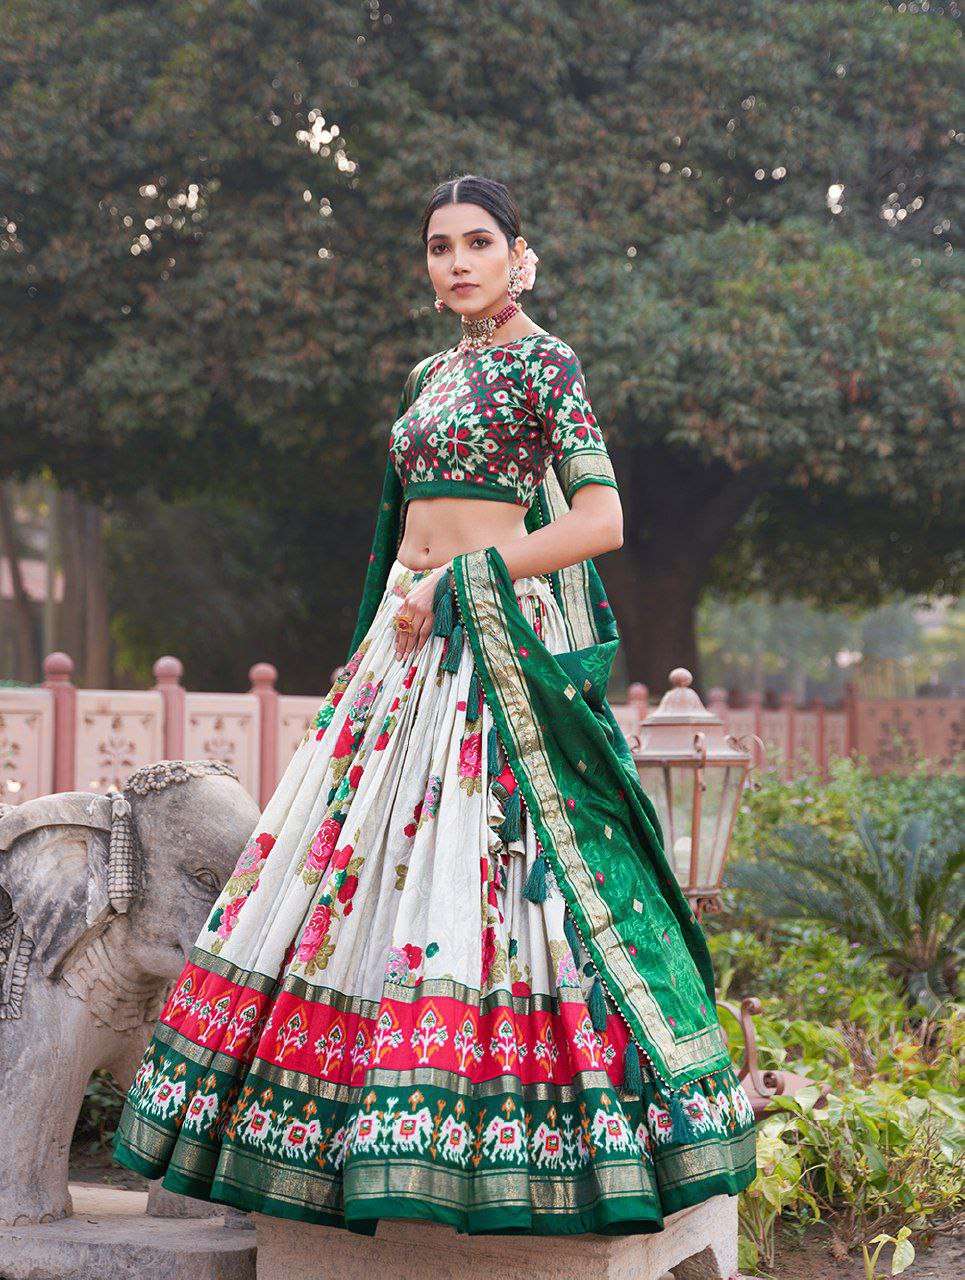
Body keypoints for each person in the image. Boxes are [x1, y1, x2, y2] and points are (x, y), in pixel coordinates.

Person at [111, 173, 757, 1236]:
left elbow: (600, 520)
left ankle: (505, 1141)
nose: (456, 261)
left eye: (477, 242)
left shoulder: (546, 364)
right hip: (402, 645)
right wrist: (413, 595)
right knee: (353, 875)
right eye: (438, 245)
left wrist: (465, 576)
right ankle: (350, 1132)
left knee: (485, 871)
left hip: (485, 639)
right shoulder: (430, 372)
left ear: (518, 254)